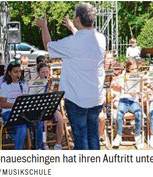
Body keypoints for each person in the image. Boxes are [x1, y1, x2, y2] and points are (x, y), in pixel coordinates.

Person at [36, 3, 105, 150]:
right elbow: (84, 40)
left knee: (80, 138)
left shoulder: (72, 43)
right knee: (93, 136)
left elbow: (48, 45)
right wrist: (73, 29)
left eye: (74, 15)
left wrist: (44, 27)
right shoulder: (101, 39)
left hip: (77, 99)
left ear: (78, 19)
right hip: (95, 98)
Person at [0, 61, 44, 149]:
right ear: (9, 73)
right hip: (8, 112)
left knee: (39, 123)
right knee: (22, 128)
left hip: (22, 112)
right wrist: (17, 105)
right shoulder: (5, 85)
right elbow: (3, 104)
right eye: (15, 72)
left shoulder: (23, 84)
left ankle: (38, 148)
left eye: (19, 71)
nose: (18, 74)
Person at [112, 59, 144, 149]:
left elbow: (140, 90)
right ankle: (118, 135)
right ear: (128, 69)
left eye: (135, 69)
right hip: (124, 100)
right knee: (119, 114)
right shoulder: (123, 76)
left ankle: (137, 136)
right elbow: (115, 85)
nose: (134, 71)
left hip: (134, 101)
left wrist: (142, 83)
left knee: (138, 114)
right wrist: (116, 83)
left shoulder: (138, 76)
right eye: (132, 69)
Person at [37, 63, 64, 150]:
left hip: (51, 107)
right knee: (44, 122)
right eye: (42, 72)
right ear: (38, 73)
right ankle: (44, 144)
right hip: (41, 108)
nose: (45, 74)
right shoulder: (36, 84)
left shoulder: (52, 83)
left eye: (47, 72)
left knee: (60, 119)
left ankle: (58, 144)